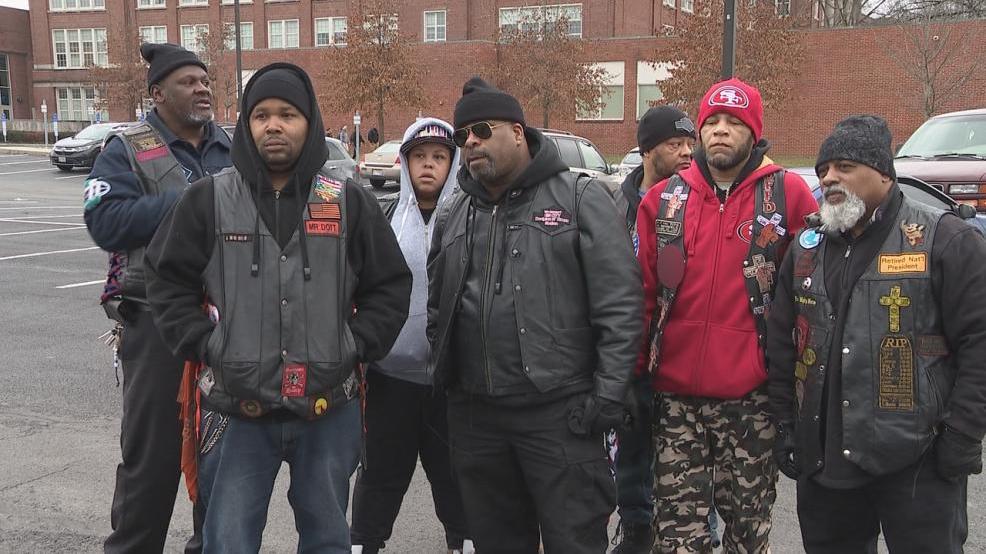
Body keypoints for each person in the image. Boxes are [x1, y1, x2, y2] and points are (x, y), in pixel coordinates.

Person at [143, 62, 412, 552]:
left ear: (309, 122)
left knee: (328, 538)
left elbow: (389, 286)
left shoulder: (348, 200)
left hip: (328, 410)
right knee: (228, 540)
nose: (273, 125)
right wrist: (206, 343)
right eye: (261, 114)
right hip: (235, 409)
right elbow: (165, 280)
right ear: (246, 124)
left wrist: (356, 344)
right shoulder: (208, 200)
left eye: (287, 113)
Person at [427, 77, 643, 554]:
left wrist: (608, 396)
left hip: (560, 416)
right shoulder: (456, 212)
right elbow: (437, 305)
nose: (471, 143)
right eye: (463, 136)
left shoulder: (580, 198)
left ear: (519, 132)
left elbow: (621, 306)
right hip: (477, 419)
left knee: (575, 542)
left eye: (482, 129)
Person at [766, 115, 986, 554]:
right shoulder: (807, 248)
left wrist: (962, 435)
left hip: (918, 460)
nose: (829, 177)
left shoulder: (943, 240)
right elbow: (782, 342)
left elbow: (979, 344)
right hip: (826, 464)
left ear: (884, 172)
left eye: (845, 167)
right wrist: (785, 425)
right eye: (824, 168)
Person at [635, 77, 817, 553]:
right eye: (712, 121)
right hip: (676, 402)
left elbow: (812, 296)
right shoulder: (662, 201)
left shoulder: (790, 196)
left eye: (734, 123)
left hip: (751, 399)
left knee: (748, 531)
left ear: (753, 133)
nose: (720, 130)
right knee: (675, 537)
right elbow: (643, 294)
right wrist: (632, 377)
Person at [83, 42, 230, 554]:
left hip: (225, 327)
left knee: (220, 463)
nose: (202, 88)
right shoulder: (125, 148)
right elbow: (104, 222)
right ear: (158, 93)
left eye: (205, 80)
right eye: (189, 81)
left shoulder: (231, 148)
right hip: (154, 326)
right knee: (152, 461)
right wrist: (188, 203)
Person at [350, 117, 471, 554]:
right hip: (389, 377)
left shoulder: (467, 219)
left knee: (454, 473)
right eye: (418, 157)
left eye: (439, 157)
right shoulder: (382, 219)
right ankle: (364, 542)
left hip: (448, 380)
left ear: (453, 164)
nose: (428, 166)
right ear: (403, 162)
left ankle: (464, 541)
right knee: (381, 472)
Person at [611, 105, 695, 554]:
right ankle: (636, 533)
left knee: (687, 467)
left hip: (680, 359)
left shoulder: (697, 201)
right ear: (647, 150)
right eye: (674, 144)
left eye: (689, 144)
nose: (686, 153)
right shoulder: (613, 207)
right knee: (632, 457)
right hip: (628, 359)